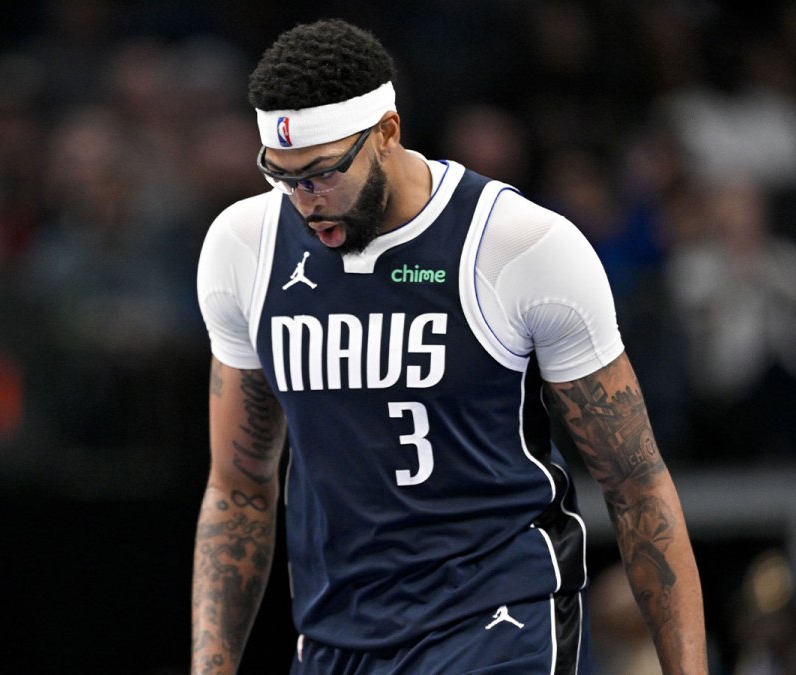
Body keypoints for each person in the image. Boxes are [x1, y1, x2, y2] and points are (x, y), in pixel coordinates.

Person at [191, 19, 707, 675]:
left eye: (322, 174)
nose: (304, 201)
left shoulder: (520, 245)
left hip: (498, 618)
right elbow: (238, 485)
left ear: (387, 133)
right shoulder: (244, 247)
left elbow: (636, 484)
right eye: (283, 175)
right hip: (336, 633)